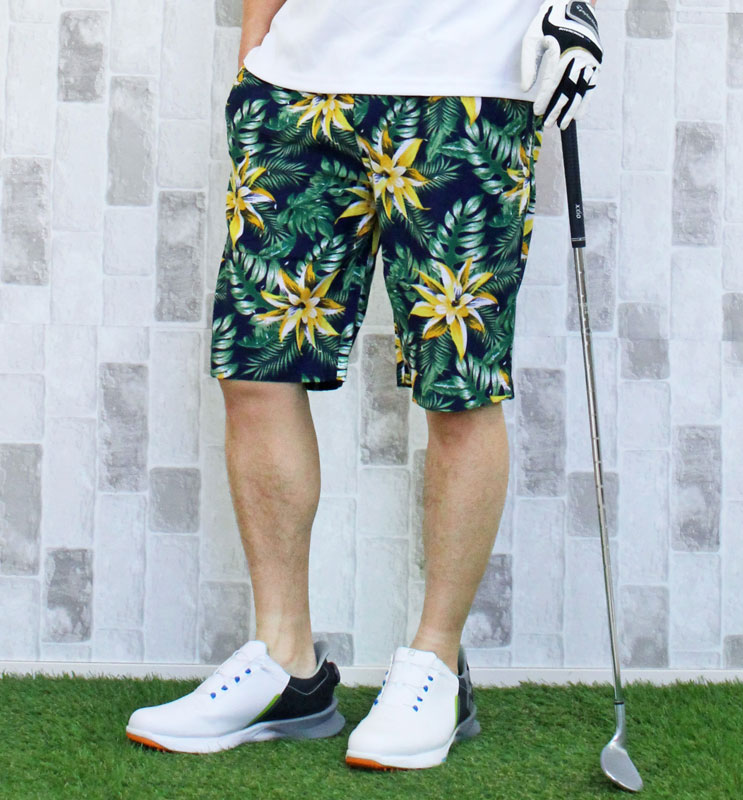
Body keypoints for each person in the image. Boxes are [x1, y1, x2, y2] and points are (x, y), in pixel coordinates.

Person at [126, 0, 602, 770]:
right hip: (299, 84)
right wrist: (255, 52)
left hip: (469, 82)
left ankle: (436, 662)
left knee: (458, 384)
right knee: (256, 364)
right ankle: (285, 664)